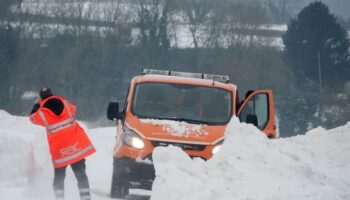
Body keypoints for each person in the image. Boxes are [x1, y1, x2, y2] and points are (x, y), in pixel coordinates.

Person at [29, 87, 96, 200]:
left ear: (41, 98)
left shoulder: (42, 113)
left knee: (59, 177)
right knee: (81, 175)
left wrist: (37, 104)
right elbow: (73, 109)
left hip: (60, 150)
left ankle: (59, 198)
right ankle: (86, 198)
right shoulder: (64, 103)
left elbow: (32, 118)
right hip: (76, 146)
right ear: (52, 94)